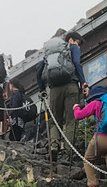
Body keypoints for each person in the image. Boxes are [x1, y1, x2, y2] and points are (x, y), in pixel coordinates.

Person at [36, 31, 87, 161]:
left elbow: (38, 70)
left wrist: (42, 89)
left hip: (54, 89)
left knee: (55, 120)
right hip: (71, 87)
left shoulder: (51, 54)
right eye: (78, 42)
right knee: (71, 120)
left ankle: (54, 146)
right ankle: (67, 151)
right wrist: (83, 82)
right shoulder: (72, 48)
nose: (79, 46)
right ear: (71, 40)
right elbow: (76, 63)